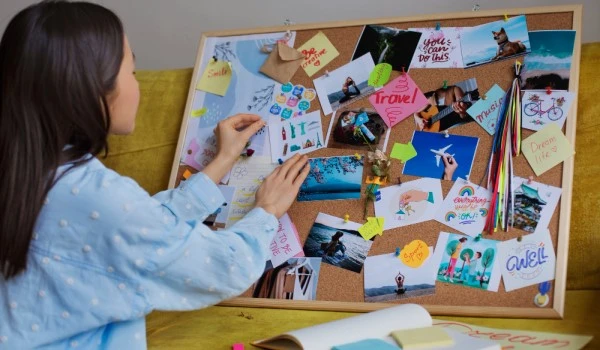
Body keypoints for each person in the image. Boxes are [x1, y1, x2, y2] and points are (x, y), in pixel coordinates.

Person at [0, 1, 310, 348]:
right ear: (95, 89)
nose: (137, 85)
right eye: (131, 71)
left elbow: (144, 228)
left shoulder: (34, 174)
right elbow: (226, 270)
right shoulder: (99, 197)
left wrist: (221, 161)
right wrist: (266, 212)